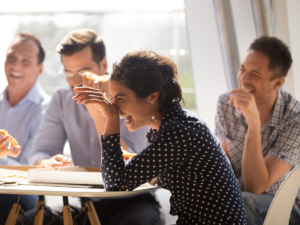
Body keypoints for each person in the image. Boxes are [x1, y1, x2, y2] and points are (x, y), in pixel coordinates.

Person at [73, 48, 247, 225]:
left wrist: (110, 118)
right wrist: (136, 163)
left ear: (152, 97)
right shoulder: (176, 126)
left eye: (120, 98)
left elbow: (115, 183)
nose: (114, 107)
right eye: (112, 98)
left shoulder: (178, 131)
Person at [19, 29, 162, 225]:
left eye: (84, 72)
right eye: (68, 72)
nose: (76, 82)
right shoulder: (62, 99)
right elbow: (38, 152)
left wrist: (99, 113)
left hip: (133, 202)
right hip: (87, 204)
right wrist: (47, 163)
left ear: (103, 65)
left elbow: (131, 163)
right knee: (28, 221)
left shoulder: (131, 96)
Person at [215, 36, 300, 225]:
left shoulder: (295, 119)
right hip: (237, 197)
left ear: (277, 83)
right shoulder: (226, 103)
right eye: (243, 69)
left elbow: (256, 187)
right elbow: (224, 163)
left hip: (285, 208)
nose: (243, 79)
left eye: (255, 74)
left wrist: (253, 124)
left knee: (243, 201)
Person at [0, 33, 50, 224]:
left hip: (21, 192)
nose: (15, 66)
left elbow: (31, 171)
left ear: (40, 68)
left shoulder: (46, 110)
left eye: (25, 61)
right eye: (11, 58)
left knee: (12, 197)